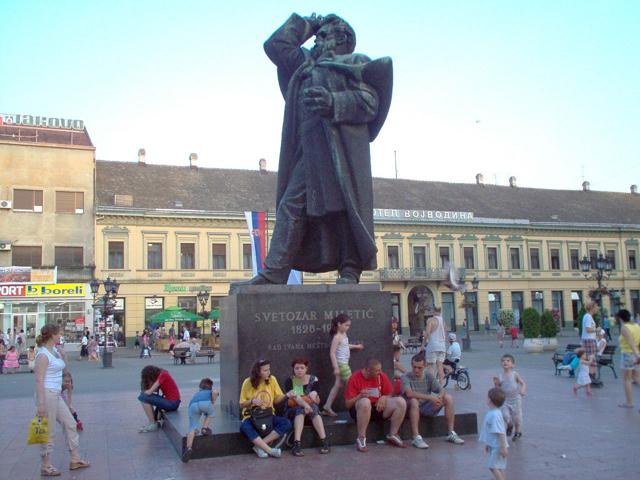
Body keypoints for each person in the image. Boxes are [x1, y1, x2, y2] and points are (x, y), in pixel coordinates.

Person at [230, 13, 392, 291]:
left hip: (338, 150)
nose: (317, 40)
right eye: (316, 36)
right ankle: (275, 271)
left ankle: (350, 269)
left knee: (344, 208)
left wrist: (333, 102)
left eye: (323, 35)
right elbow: (275, 46)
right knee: (291, 205)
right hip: (308, 150)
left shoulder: (354, 63)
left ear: (341, 39)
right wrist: (307, 24)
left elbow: (370, 103)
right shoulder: (304, 65)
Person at [34, 324, 89, 476]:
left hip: (56, 393)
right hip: (47, 394)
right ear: (52, 335)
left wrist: (63, 357)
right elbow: (38, 380)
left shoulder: (55, 351)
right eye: (59, 334)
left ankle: (75, 459)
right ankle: (45, 465)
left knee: (70, 423)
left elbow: (65, 371)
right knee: (48, 429)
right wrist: (41, 403)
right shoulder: (43, 355)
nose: (61, 336)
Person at [402, 352, 465, 449]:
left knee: (448, 398)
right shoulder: (406, 377)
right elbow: (409, 394)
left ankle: (451, 433)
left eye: (419, 368)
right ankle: (416, 437)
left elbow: (442, 389)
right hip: (412, 408)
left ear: (425, 366)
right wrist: (431, 398)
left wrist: (439, 397)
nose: (416, 370)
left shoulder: (428, 376)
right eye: (414, 367)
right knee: (414, 401)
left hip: (426, 406)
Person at [345, 358, 407, 452]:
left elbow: (389, 393)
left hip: (378, 408)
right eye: (377, 370)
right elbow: (348, 404)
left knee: (401, 402)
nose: (380, 372)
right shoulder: (354, 378)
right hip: (361, 410)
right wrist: (360, 396)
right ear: (368, 370)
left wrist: (384, 397)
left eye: (380, 369)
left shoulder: (381, 376)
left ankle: (393, 435)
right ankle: (361, 438)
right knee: (365, 402)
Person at [239, 359, 291, 458]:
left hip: (268, 415)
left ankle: (259, 446)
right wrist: (252, 401)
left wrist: (286, 395)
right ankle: (269, 450)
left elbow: (276, 400)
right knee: (244, 427)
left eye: (269, 369)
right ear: (257, 371)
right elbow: (241, 404)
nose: (269, 372)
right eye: (265, 370)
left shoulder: (272, 380)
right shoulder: (247, 382)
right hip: (252, 416)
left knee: (286, 423)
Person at [284, 357, 330, 456]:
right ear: (293, 369)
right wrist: (306, 404)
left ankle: (324, 441)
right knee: (301, 409)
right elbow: (297, 399)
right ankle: (297, 443)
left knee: (314, 408)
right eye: (297, 368)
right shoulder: (292, 380)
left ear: (306, 368)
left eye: (302, 368)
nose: (299, 370)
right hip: (293, 411)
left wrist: (314, 396)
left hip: (311, 410)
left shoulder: (313, 379)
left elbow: (317, 400)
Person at [322, 314, 364, 416]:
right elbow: (332, 352)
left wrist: (356, 346)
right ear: (339, 324)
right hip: (342, 365)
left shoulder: (344, 335)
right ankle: (358, 406)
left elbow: (345, 345)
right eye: (346, 325)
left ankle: (327, 407)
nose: (347, 327)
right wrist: (336, 367)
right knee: (352, 384)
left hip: (344, 363)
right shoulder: (336, 337)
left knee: (337, 385)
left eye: (349, 326)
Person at [182, 377, 219, 463]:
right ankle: (204, 428)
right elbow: (215, 392)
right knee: (210, 413)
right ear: (210, 387)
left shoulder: (197, 394)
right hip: (206, 404)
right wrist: (213, 401)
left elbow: (191, 404)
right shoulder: (210, 392)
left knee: (192, 427)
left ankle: (188, 448)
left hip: (193, 406)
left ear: (200, 387)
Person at [138, 365, 181, 432]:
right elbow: (154, 390)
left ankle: (153, 424)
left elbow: (149, 392)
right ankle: (153, 422)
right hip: (172, 402)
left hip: (172, 403)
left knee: (142, 397)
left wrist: (146, 389)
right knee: (143, 396)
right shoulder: (162, 374)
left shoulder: (163, 375)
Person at [493, 354, 526, 441]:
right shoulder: (500, 376)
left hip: (516, 399)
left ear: (513, 365)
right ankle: (509, 425)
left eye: (508, 361)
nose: (505, 362)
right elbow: (498, 389)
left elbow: (523, 383)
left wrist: (522, 390)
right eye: (503, 361)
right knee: (505, 415)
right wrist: (496, 384)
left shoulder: (515, 374)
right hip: (505, 400)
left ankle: (517, 432)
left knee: (517, 418)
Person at [479, 387, 508, 480]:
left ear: (490, 400)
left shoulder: (494, 415)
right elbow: (490, 431)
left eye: (487, 397)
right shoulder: (493, 412)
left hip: (498, 446)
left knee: (493, 467)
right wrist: (488, 444)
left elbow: (501, 432)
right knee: (499, 466)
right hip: (494, 445)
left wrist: (503, 447)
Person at [617, 309, 640, 409]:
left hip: (628, 354)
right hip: (637, 353)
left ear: (621, 318)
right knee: (637, 378)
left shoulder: (624, 328)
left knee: (627, 379)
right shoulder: (636, 326)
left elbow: (630, 343)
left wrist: (636, 355)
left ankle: (629, 402)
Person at [422, 306, 447, 384]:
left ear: (433, 311)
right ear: (440, 311)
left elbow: (427, 333)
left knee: (430, 365)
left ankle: (432, 384)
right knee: (440, 366)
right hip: (442, 346)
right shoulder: (443, 321)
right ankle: (442, 384)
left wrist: (423, 344)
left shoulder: (431, 321)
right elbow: (445, 333)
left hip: (433, 345)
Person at [581, 302, 599, 383]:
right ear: (592, 308)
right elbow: (588, 329)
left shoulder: (588, 316)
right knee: (591, 358)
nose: (597, 308)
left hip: (590, 339)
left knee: (592, 358)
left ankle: (592, 376)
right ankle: (591, 377)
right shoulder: (588, 317)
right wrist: (596, 329)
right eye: (596, 307)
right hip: (589, 340)